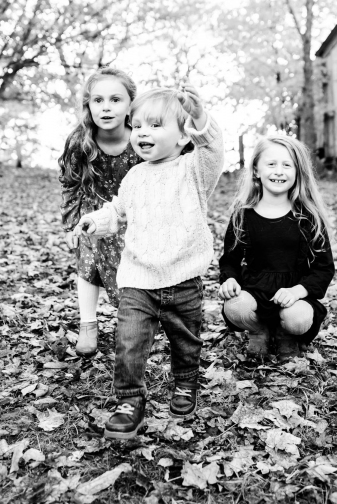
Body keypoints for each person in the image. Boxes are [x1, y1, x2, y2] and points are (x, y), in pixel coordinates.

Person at [73, 85, 224, 439]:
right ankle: (129, 400)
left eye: (155, 125)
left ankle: (185, 383)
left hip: (183, 278)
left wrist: (199, 115)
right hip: (138, 279)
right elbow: (118, 212)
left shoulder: (194, 170)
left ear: (183, 136)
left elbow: (214, 147)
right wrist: (97, 221)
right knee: (128, 342)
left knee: (186, 341)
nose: (142, 132)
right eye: (137, 125)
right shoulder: (135, 177)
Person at [219, 135, 335, 362]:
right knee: (235, 307)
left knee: (298, 318)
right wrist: (229, 280)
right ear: (256, 171)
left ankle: (286, 334)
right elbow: (229, 260)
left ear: (297, 172)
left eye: (287, 165)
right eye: (271, 164)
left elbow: (324, 269)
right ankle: (258, 329)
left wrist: (297, 292)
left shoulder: (308, 218)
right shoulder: (243, 216)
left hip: (294, 298)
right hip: (255, 293)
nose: (279, 171)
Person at [58, 67, 141, 357]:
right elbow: (70, 184)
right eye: (98, 100)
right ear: (88, 105)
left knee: (130, 269)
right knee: (87, 254)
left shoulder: (141, 140)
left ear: (131, 104)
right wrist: (71, 226)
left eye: (116, 99)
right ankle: (88, 324)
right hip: (92, 211)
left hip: (133, 216)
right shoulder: (80, 142)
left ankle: (134, 321)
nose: (106, 107)